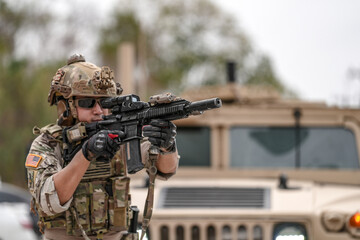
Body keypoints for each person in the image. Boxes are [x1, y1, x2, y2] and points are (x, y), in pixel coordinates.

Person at [25, 54, 179, 240]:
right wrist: (86, 152)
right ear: (66, 107)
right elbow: (49, 201)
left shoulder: (119, 133)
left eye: (104, 102)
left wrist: (167, 146)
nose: (99, 110)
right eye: (88, 103)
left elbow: (166, 170)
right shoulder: (49, 144)